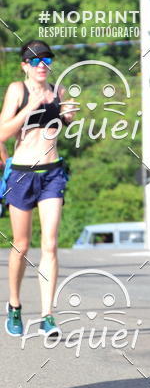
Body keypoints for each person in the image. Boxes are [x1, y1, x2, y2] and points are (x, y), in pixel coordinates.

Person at [0, 40, 75, 337]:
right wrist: (29, 108)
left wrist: (68, 115)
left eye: (46, 59)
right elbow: (3, 132)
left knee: (51, 243)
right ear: (24, 66)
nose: (41, 65)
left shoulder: (58, 91)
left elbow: (67, 121)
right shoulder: (18, 90)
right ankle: (15, 305)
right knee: (21, 245)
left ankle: (47, 315)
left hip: (52, 173)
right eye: (34, 61)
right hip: (21, 174)